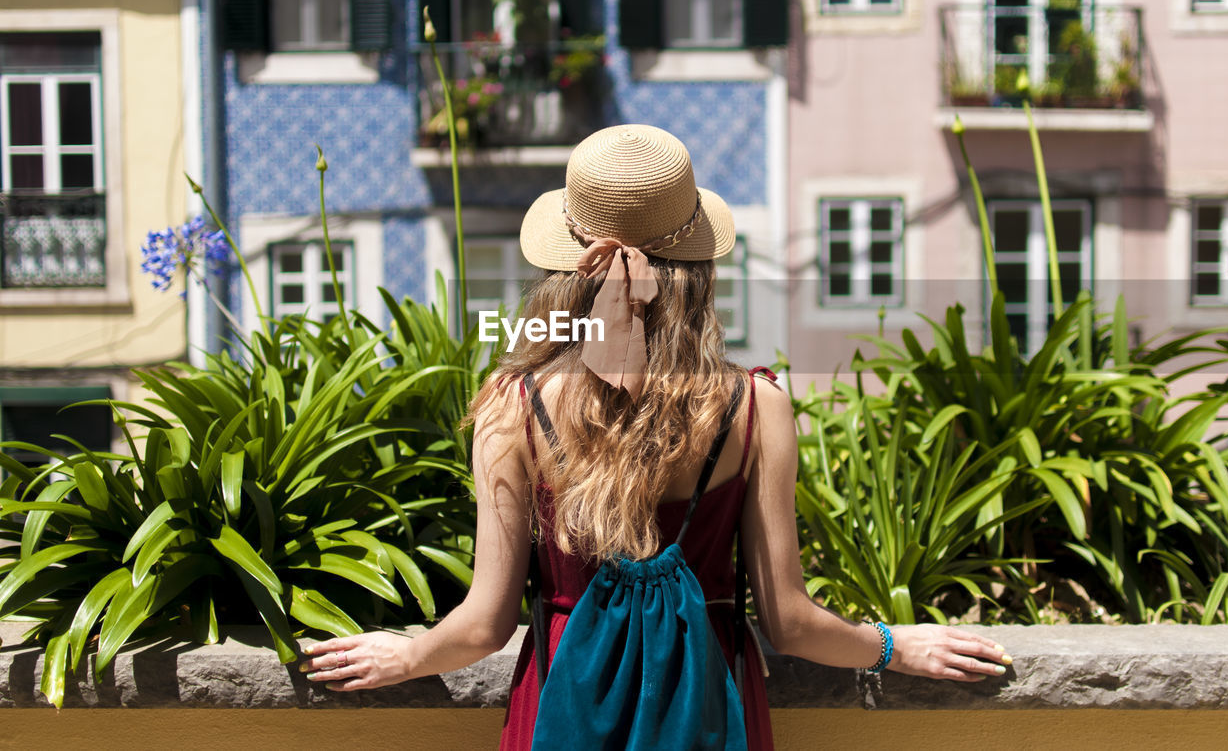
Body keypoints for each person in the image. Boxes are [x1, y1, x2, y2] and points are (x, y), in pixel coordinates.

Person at [299, 125, 1011, 748]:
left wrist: (406, 656)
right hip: (707, 710)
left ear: (565, 265)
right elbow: (791, 625)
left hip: (560, 707)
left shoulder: (510, 410)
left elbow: (484, 626)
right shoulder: (756, 407)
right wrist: (893, 645)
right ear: (699, 270)